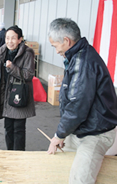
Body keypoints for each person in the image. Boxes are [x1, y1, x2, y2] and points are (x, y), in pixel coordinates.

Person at [47, 18, 117, 184]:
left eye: (55, 45)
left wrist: (59, 135)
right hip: (82, 127)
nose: (56, 51)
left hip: (96, 133)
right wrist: (63, 134)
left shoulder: (83, 61)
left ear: (66, 41)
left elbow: (77, 105)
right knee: (57, 167)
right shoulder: (78, 55)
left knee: (80, 180)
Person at [0, 25, 36, 151]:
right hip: (8, 94)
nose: (9, 41)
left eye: (13, 38)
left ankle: (18, 157)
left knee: (18, 129)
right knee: (8, 127)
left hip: (19, 94)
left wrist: (12, 67)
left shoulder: (28, 53)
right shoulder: (6, 51)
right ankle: (10, 155)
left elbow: (28, 75)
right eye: (7, 38)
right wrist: (5, 45)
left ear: (20, 39)